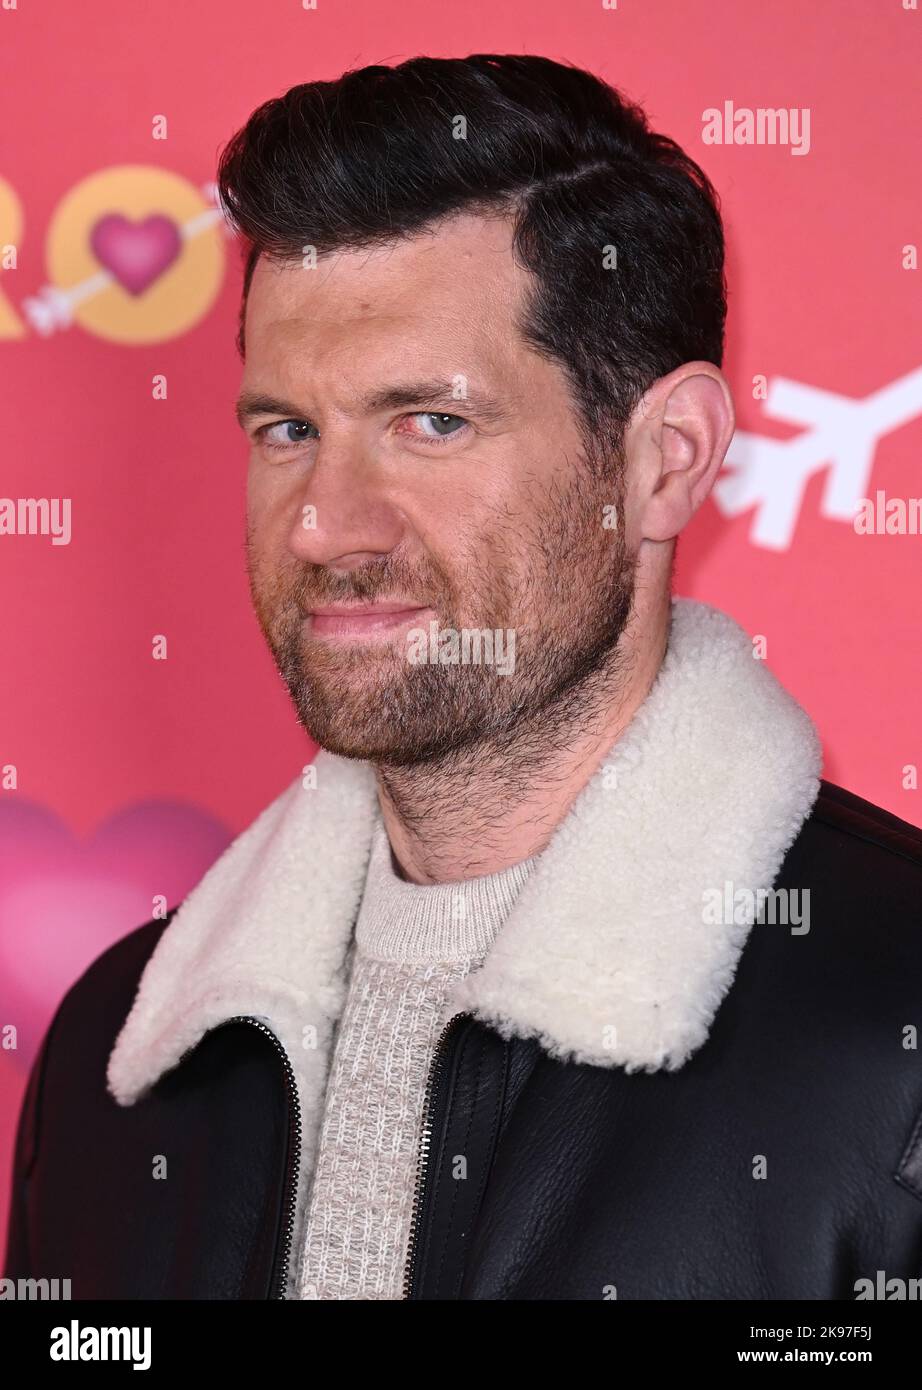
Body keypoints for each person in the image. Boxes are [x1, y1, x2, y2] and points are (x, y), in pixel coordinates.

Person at [5, 53, 922, 1301]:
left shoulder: (896, 1022)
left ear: (664, 460)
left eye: (431, 423)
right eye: (288, 430)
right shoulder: (121, 1060)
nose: (328, 525)